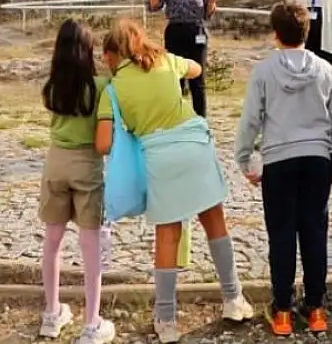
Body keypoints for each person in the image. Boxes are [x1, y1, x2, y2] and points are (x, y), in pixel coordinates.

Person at [95, 19, 252, 344]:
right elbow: (195, 69)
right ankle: (233, 299)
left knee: (167, 236)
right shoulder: (166, 61)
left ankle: (166, 320)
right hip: (194, 145)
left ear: (112, 53)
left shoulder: (112, 90)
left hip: (159, 156)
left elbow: (105, 143)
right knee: (215, 224)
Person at [234, 3, 332, 337]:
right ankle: (315, 307)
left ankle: (282, 308)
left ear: (275, 34)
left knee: (281, 234)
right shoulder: (324, 69)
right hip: (316, 157)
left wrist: (245, 159)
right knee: (315, 232)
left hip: (279, 159)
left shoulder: (264, 71)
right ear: (308, 32)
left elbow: (251, 120)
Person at [38, 20, 115, 344]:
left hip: (55, 163)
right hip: (87, 166)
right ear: (88, 51)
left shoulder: (51, 87)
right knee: (90, 247)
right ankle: (91, 322)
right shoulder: (100, 86)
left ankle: (52, 314)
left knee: (52, 241)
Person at [147, 0, 217, 118]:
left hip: (196, 31)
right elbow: (153, 6)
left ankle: (201, 120)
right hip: (175, 32)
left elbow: (208, 14)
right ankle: (175, 119)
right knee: (175, 77)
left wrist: (213, 2)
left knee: (198, 79)